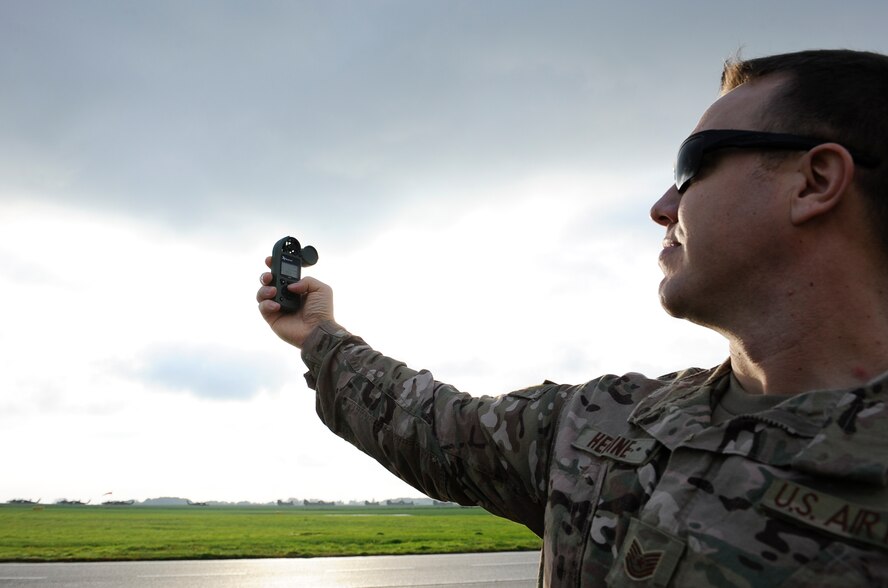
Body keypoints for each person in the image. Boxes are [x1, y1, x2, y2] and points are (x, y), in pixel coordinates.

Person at [257, 49, 888, 587]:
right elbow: (434, 425)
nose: (662, 206)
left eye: (691, 167)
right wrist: (320, 336)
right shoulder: (600, 421)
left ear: (815, 181)